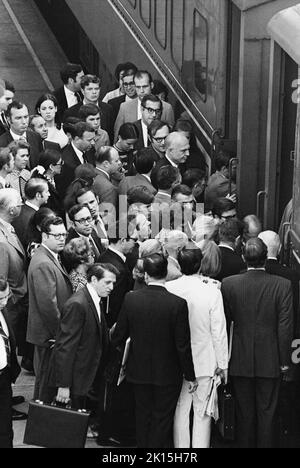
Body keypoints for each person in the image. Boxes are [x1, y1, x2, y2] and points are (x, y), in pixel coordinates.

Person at [112, 253, 197, 448]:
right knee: (162, 420)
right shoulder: (177, 304)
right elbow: (182, 345)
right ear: (166, 273)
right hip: (168, 374)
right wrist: (190, 376)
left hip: (138, 370)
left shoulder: (131, 299)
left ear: (146, 275)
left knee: (142, 417)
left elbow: (119, 336)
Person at [221, 238, 294, 448]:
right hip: (270, 358)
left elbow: (224, 324)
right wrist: (285, 363)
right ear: (268, 257)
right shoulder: (282, 285)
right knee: (268, 413)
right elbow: (285, 327)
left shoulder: (228, 283)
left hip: (239, 356)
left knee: (244, 414)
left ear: (243, 258)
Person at [167, 247, 228, 448]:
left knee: (180, 409)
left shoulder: (170, 288)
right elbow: (218, 331)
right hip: (204, 358)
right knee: (202, 412)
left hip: (176, 359)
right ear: (200, 264)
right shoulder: (212, 291)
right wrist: (222, 363)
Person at [50, 264, 117, 411]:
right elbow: (65, 347)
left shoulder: (94, 299)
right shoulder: (77, 304)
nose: (111, 287)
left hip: (87, 376)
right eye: (107, 282)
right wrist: (63, 385)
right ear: (94, 279)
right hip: (78, 380)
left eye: (113, 283)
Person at [27, 217, 73, 402]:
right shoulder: (44, 263)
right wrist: (60, 334)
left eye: (64, 234)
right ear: (45, 236)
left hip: (49, 334)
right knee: (46, 383)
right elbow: (48, 305)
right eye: (57, 235)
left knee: (46, 380)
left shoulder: (49, 256)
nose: (62, 238)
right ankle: (41, 425)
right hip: (49, 336)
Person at [258, 230, 300, 332]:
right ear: (280, 248)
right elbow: (293, 310)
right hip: (282, 333)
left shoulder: (249, 273)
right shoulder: (292, 276)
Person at [114, 70, 174, 140]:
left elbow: (170, 138)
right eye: (138, 87)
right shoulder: (125, 107)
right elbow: (117, 137)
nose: (141, 91)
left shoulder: (167, 108)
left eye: (145, 86)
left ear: (151, 85)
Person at [99, 222, 135, 327]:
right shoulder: (119, 270)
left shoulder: (103, 256)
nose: (135, 244)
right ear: (123, 240)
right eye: (134, 240)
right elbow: (116, 304)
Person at [0, 279, 22, 448]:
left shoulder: (4, 311)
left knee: (5, 426)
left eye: (6, 297)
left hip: (4, 377)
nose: (4, 302)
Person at [64, 75, 114, 141]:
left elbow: (111, 134)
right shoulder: (71, 112)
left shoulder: (108, 109)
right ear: (82, 91)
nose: (94, 92)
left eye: (96, 89)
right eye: (90, 89)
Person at [56, 122, 96, 198]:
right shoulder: (65, 161)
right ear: (77, 139)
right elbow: (64, 192)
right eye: (89, 140)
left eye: (93, 139)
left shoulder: (90, 150)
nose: (93, 143)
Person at [0, 101, 43, 169]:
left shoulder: (36, 137)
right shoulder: (1, 142)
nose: (24, 122)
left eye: (26, 117)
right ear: (9, 120)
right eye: (18, 118)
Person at [12, 178, 50, 250]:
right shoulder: (35, 218)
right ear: (38, 195)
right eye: (47, 191)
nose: (49, 194)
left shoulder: (19, 211)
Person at [31, 149, 65, 220]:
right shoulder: (42, 184)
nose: (62, 165)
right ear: (51, 166)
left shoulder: (57, 179)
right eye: (60, 163)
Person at [93, 146, 122, 211]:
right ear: (106, 164)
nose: (120, 163)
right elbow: (108, 217)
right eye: (116, 161)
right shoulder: (109, 189)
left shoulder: (90, 174)